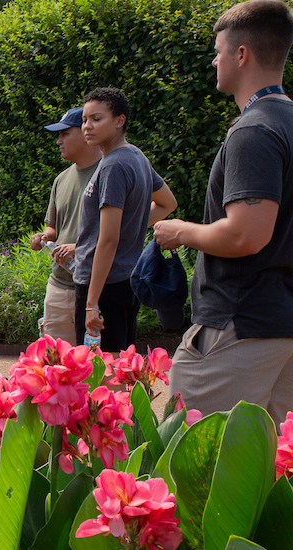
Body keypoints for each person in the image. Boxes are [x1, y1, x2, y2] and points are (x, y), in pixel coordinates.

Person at [154, 0, 293, 420]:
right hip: (281, 325)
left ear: (242, 54)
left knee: (190, 461)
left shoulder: (254, 130)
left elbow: (244, 235)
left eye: (218, 51)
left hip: (238, 325)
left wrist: (179, 230)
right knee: (268, 473)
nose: (214, 60)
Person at [73, 88, 178, 352]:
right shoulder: (136, 156)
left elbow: (108, 240)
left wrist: (91, 304)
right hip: (126, 281)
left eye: (96, 119)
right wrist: (134, 224)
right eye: (85, 119)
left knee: (101, 376)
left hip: (103, 286)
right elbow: (168, 203)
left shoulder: (113, 166)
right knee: (121, 368)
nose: (87, 126)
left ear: (120, 121)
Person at [28, 107, 103, 345]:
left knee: (98, 367)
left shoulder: (110, 171)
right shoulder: (61, 179)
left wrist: (79, 246)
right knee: (57, 365)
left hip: (97, 287)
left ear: (84, 132)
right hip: (59, 285)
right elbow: (53, 228)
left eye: (64, 134)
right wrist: (43, 237)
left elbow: (126, 224)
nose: (59, 141)